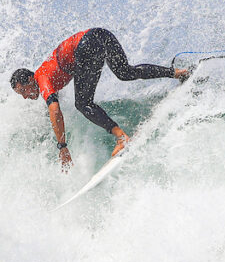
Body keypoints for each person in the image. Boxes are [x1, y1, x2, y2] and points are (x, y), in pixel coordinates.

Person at [10, 28, 189, 169]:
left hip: (85, 46)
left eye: (23, 91)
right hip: (100, 34)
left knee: (82, 103)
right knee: (126, 72)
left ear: (29, 79)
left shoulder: (41, 78)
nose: (25, 97)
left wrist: (62, 146)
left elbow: (55, 110)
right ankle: (177, 73)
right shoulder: (47, 73)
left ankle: (121, 137)